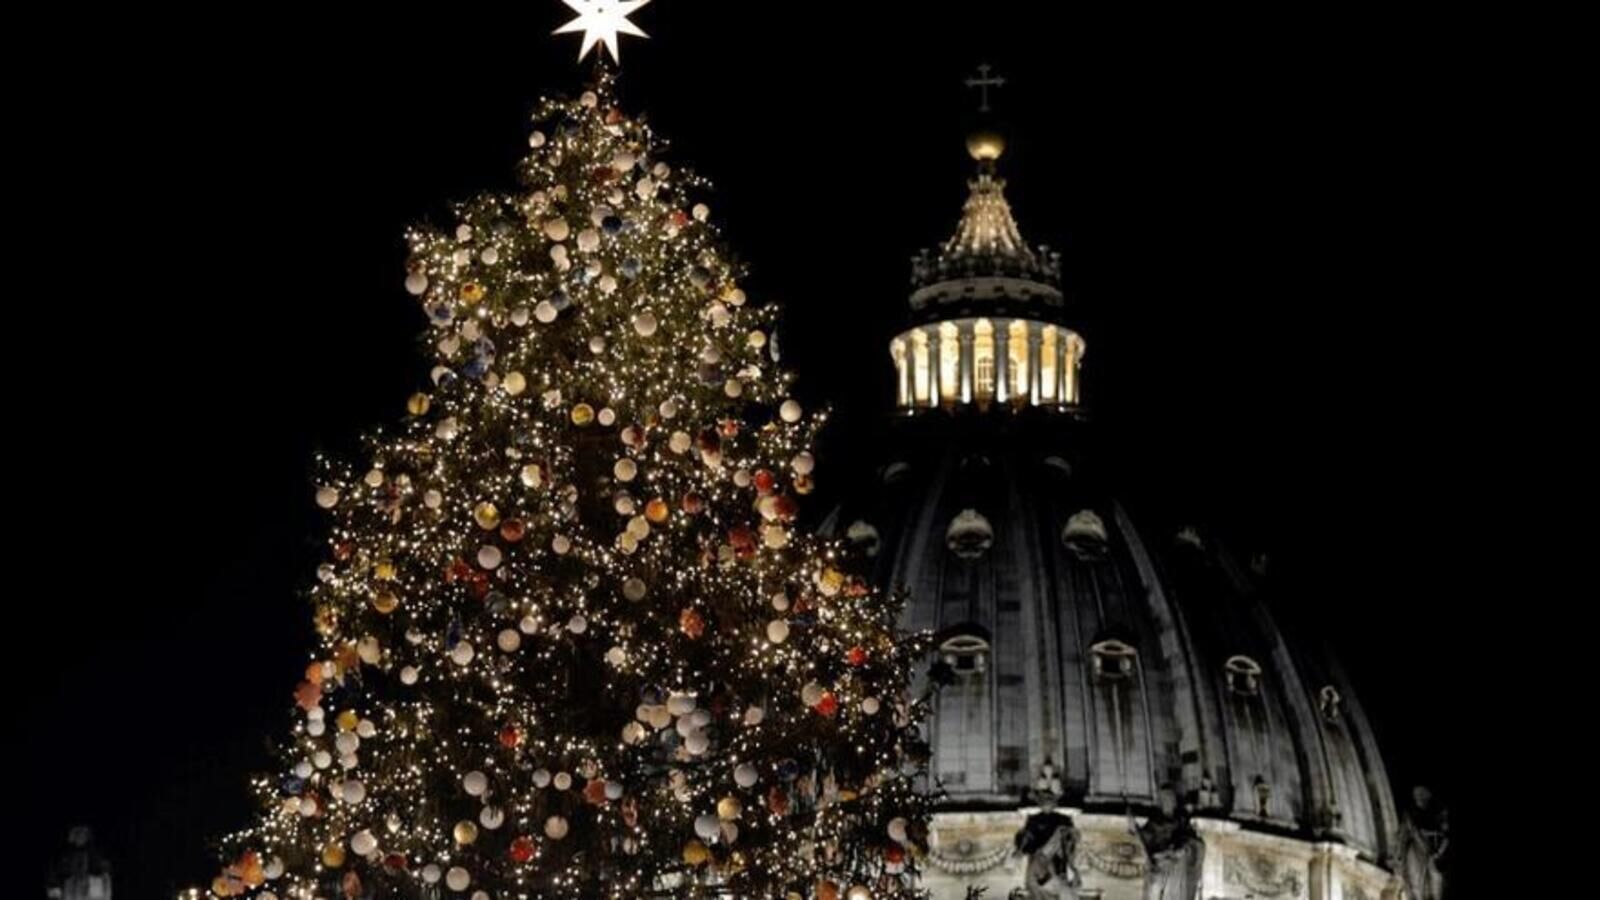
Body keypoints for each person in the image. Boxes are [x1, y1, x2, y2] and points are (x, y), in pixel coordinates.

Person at [1128, 787, 1204, 900]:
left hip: (1176, 866)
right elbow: (1144, 837)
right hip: (1159, 865)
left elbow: (1195, 843)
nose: (1168, 803)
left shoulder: (1181, 822)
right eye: (1166, 800)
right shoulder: (1154, 823)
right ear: (1161, 803)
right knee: (1154, 889)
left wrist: (1183, 849)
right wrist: (1134, 828)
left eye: (1170, 800)